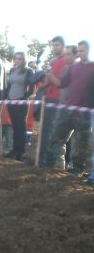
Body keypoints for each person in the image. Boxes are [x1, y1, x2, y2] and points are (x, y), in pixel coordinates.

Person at [45, 40, 94, 174]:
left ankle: (77, 169)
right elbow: (61, 83)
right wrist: (49, 74)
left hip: (84, 111)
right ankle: (48, 164)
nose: (79, 53)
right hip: (68, 108)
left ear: (89, 50)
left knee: (81, 142)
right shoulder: (73, 67)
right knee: (56, 136)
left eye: (82, 50)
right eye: (78, 51)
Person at [38, 36, 67, 165]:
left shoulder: (66, 61)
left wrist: (49, 74)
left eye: (57, 45)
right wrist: (44, 73)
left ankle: (56, 160)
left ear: (63, 46)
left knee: (55, 130)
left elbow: (61, 82)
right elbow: (45, 81)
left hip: (59, 99)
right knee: (45, 129)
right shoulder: (52, 61)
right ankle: (43, 157)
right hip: (48, 97)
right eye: (53, 45)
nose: (54, 47)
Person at [3, 52, 35, 160]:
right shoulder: (12, 70)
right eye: (16, 58)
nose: (18, 60)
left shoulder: (28, 71)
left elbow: (32, 89)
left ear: (24, 60)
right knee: (14, 127)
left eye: (20, 59)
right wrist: (6, 97)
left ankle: (21, 152)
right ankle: (14, 149)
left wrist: (23, 98)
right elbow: (9, 86)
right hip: (11, 102)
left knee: (21, 127)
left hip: (21, 103)